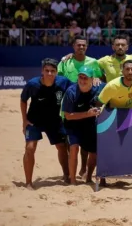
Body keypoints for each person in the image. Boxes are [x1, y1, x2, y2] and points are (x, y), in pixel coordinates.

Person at [20, 58, 72, 189]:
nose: (49, 73)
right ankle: (28, 182)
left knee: (61, 147)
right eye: (47, 71)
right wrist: (24, 120)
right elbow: (23, 100)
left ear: (56, 72)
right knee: (30, 148)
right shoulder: (32, 84)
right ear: (42, 71)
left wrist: (95, 80)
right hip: (34, 121)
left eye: (52, 71)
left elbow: (79, 87)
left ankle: (66, 175)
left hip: (55, 121)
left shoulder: (63, 82)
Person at [57, 36, 103, 179]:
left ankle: (84, 168)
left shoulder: (93, 62)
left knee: (87, 145)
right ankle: (69, 173)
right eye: (78, 45)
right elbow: (58, 82)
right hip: (69, 103)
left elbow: (100, 80)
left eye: (83, 45)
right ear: (73, 46)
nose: (81, 47)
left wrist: (98, 79)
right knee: (70, 145)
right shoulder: (65, 62)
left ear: (87, 47)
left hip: (87, 103)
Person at [62, 67, 101, 185]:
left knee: (94, 151)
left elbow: (112, 86)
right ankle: (73, 180)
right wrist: (87, 114)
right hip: (73, 124)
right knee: (74, 148)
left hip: (89, 124)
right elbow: (68, 116)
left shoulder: (98, 88)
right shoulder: (71, 92)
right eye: (80, 77)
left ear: (92, 79)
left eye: (86, 78)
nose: (82, 80)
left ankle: (88, 177)